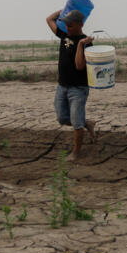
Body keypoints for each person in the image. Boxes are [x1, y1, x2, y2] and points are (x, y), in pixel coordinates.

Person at [45, 9, 97, 161]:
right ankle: (87, 123)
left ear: (80, 24)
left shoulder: (87, 42)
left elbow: (80, 66)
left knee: (76, 123)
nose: (67, 28)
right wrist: (64, 10)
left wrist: (80, 45)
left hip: (78, 88)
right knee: (62, 118)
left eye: (71, 25)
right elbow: (49, 19)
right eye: (66, 25)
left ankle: (76, 153)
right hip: (62, 86)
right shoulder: (64, 35)